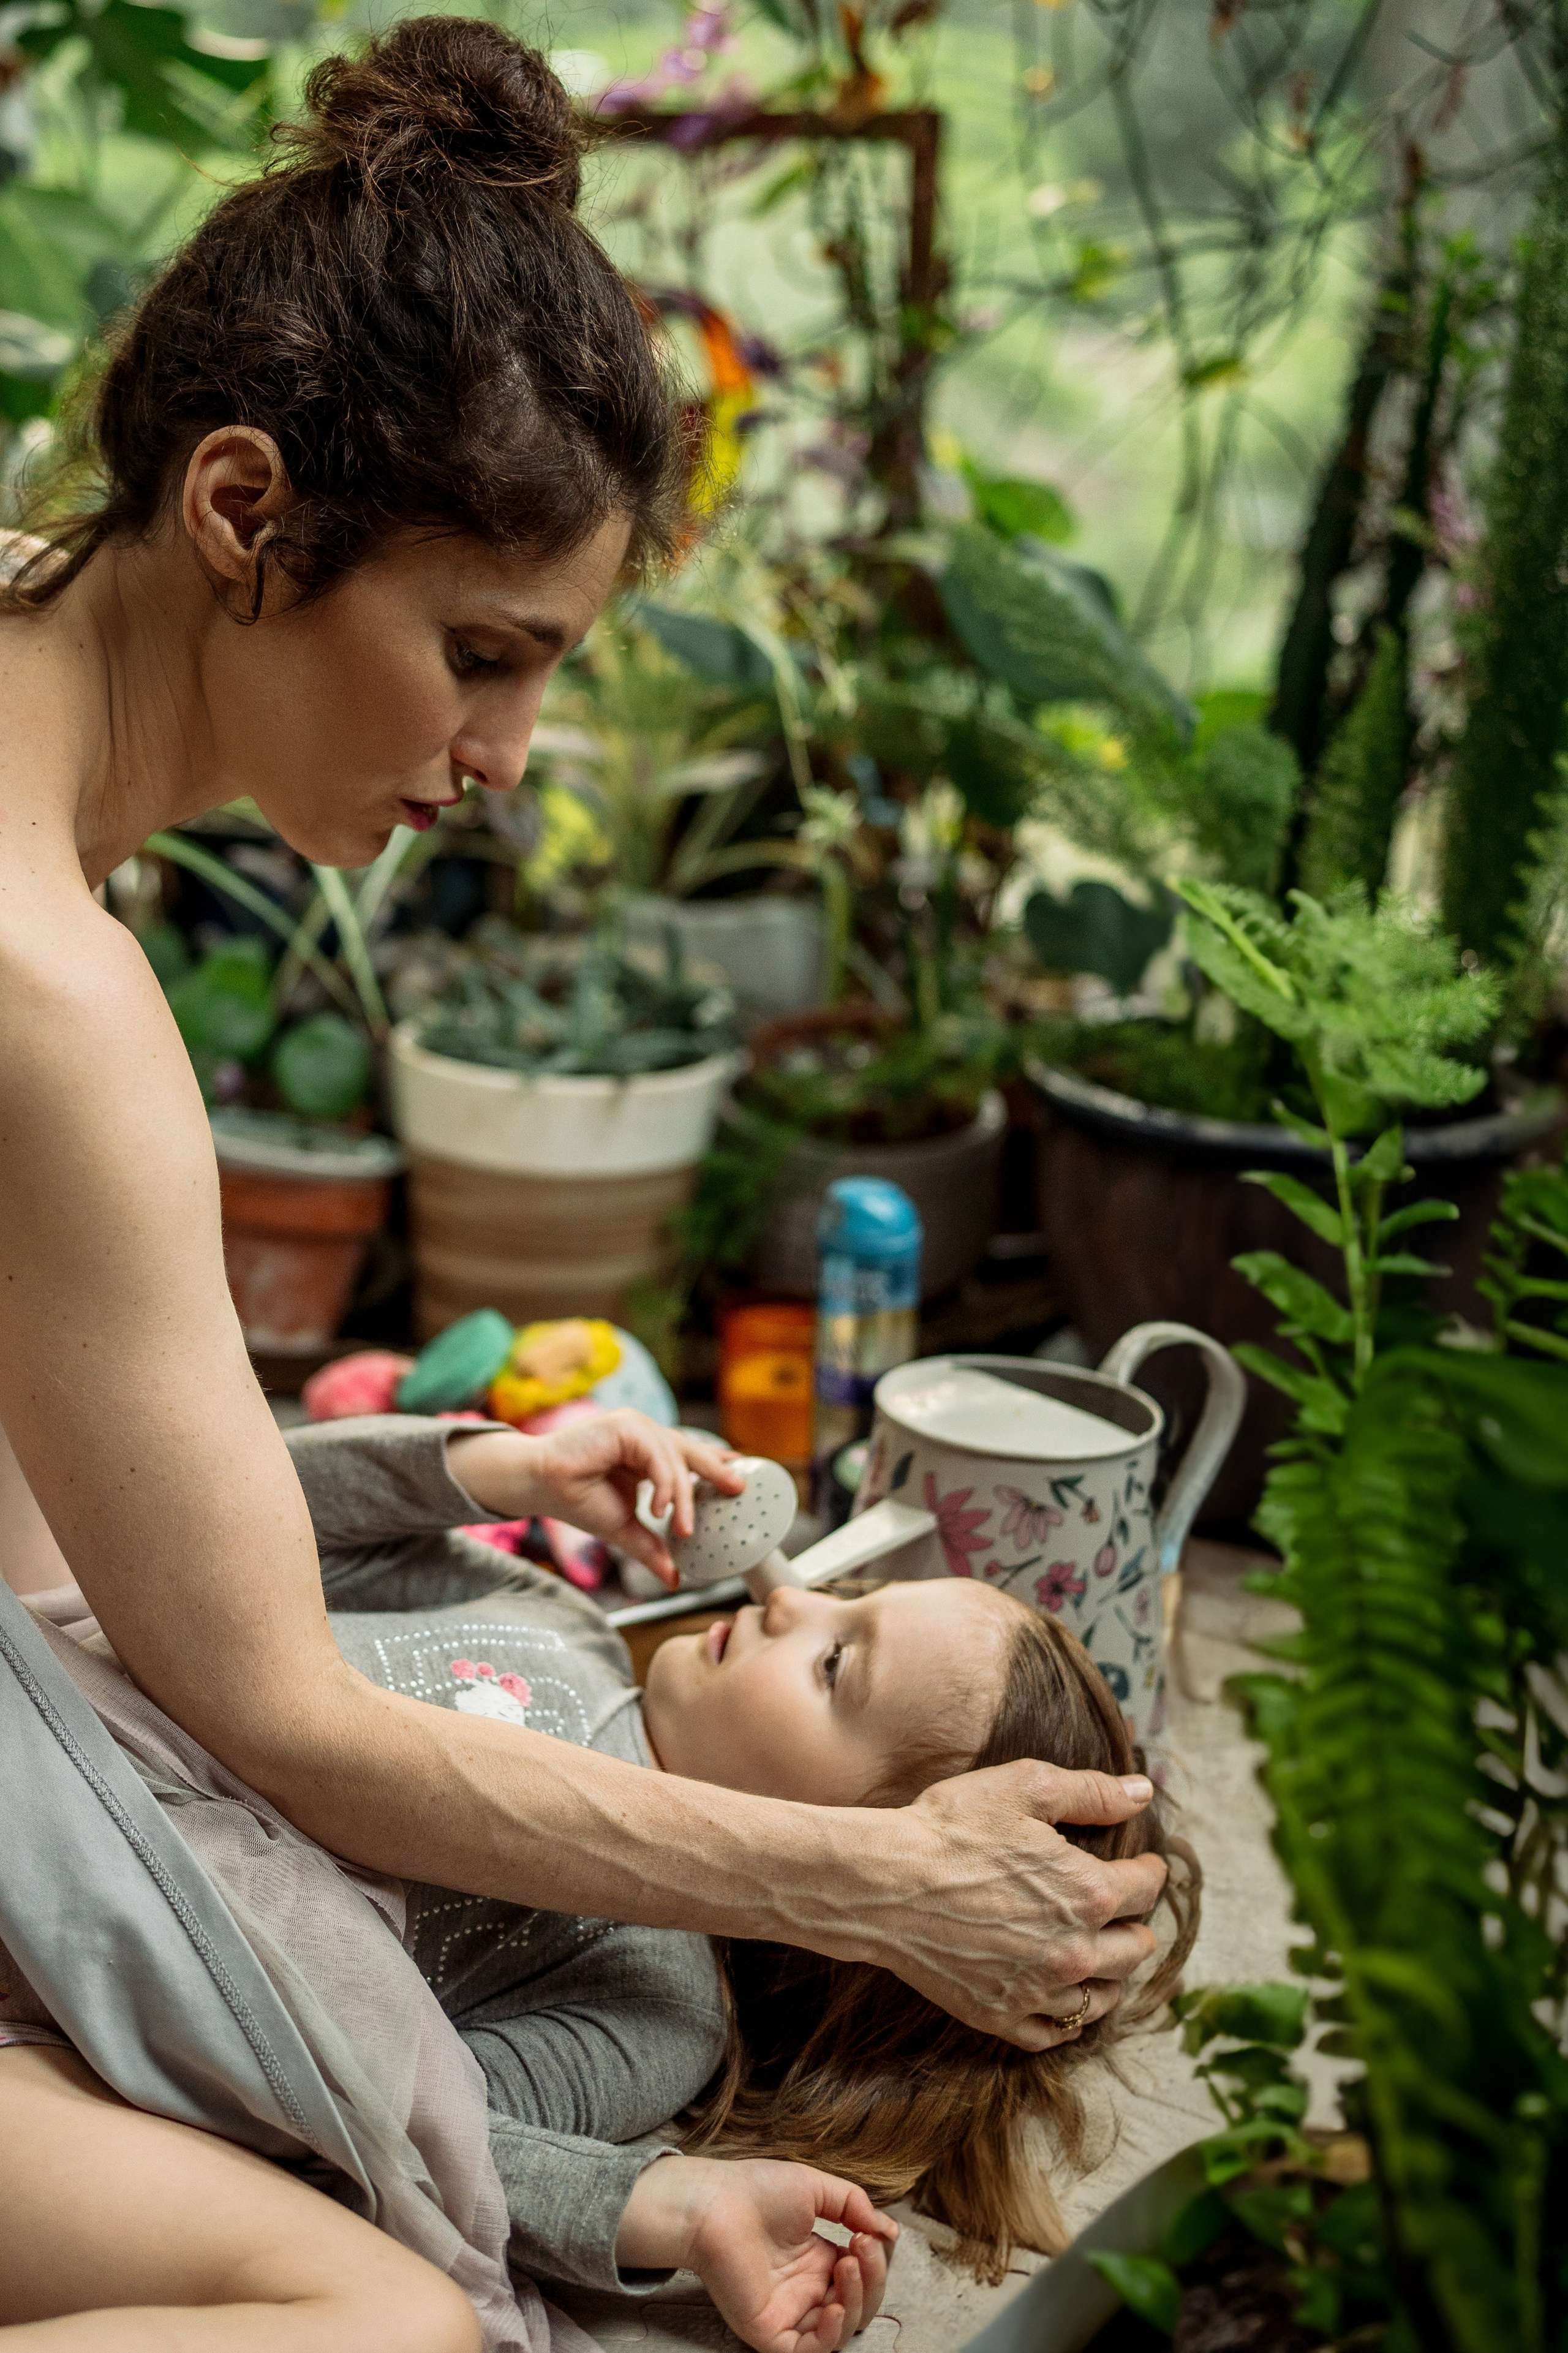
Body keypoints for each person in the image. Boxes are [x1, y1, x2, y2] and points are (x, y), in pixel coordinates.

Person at [0, 14, 1168, 2342]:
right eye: (480, 653)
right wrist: (882, 1883)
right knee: (399, 2322)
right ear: (243, 514)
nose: (503, 758)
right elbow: (288, 1724)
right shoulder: (54, 991)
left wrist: (453, 1456)